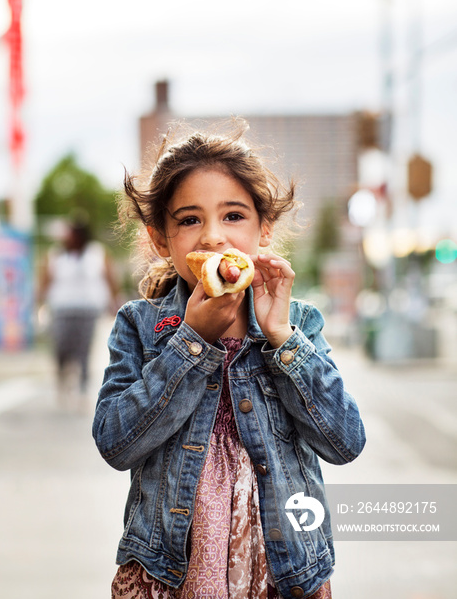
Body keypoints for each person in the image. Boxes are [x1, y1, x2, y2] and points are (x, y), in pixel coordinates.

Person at [92, 119, 366, 599]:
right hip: (171, 567)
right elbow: (116, 443)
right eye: (190, 219)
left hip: (281, 569)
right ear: (162, 240)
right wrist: (192, 340)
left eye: (234, 216)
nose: (213, 237)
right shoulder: (139, 325)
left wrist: (281, 337)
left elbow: (345, 442)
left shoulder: (299, 323)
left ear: (265, 230)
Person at [41, 216, 119, 404]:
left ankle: (83, 388)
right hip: (61, 309)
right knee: (61, 347)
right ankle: (62, 379)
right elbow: (45, 280)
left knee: (84, 351)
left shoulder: (97, 253)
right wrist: (40, 305)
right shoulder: (56, 255)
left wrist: (115, 303)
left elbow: (110, 279)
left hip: (88, 309)